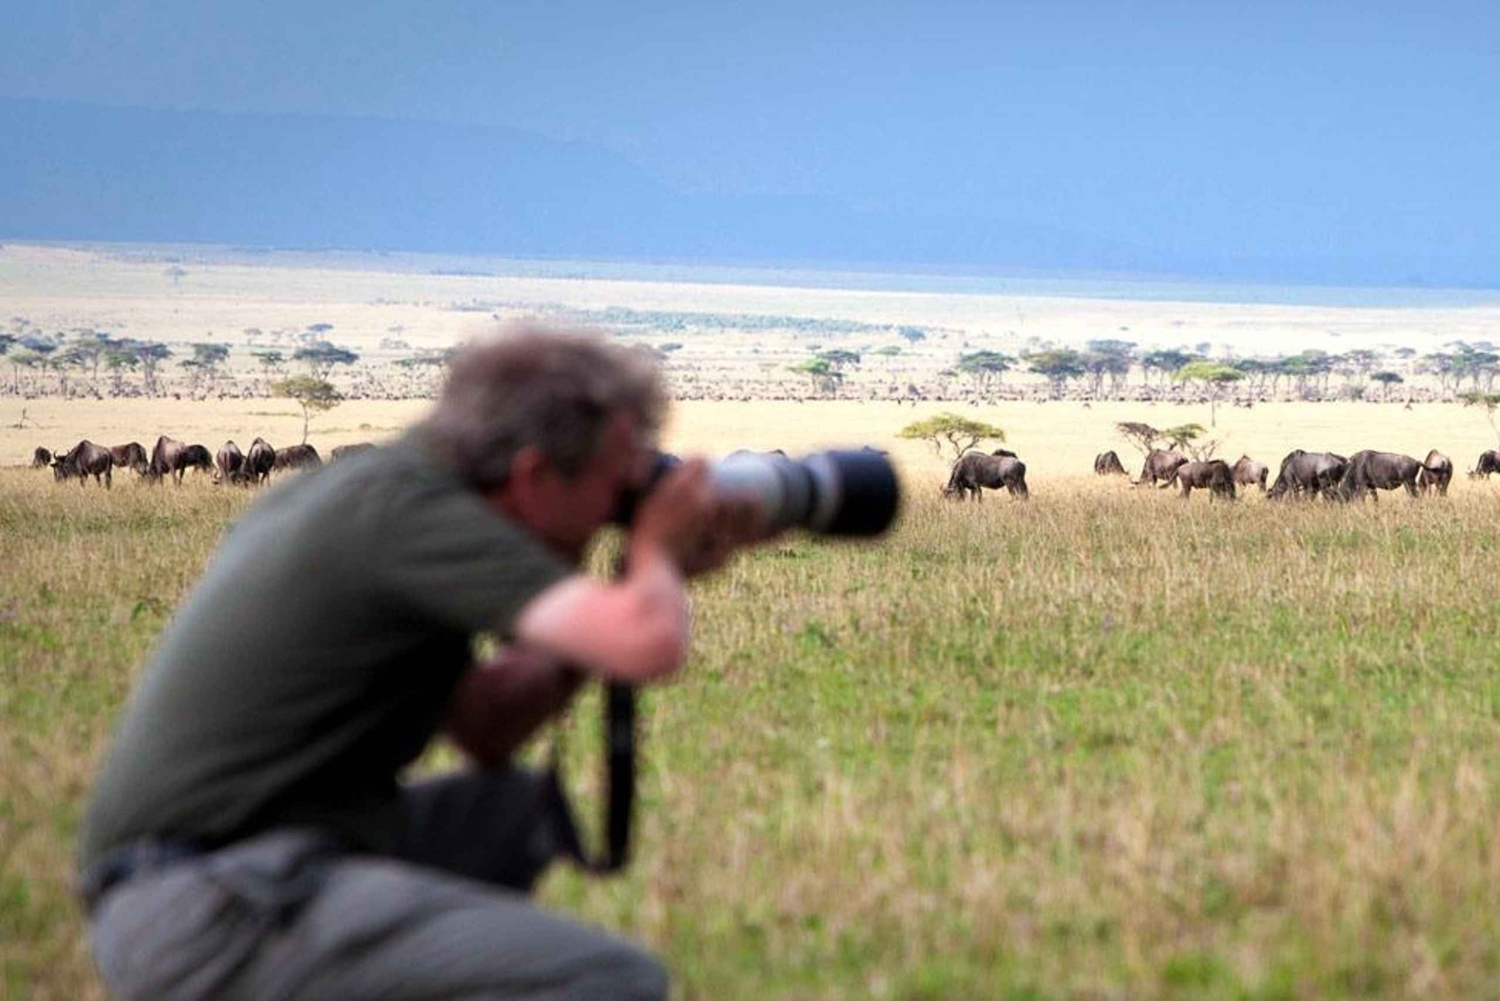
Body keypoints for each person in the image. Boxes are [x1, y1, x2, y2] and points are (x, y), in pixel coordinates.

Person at [77, 326, 766, 1000]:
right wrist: (657, 553)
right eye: (613, 490)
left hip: (231, 867)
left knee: (511, 810)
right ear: (532, 475)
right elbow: (648, 641)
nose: (615, 513)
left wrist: (623, 581)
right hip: (206, 899)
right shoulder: (408, 512)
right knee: (613, 979)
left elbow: (489, 724)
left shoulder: (384, 494)